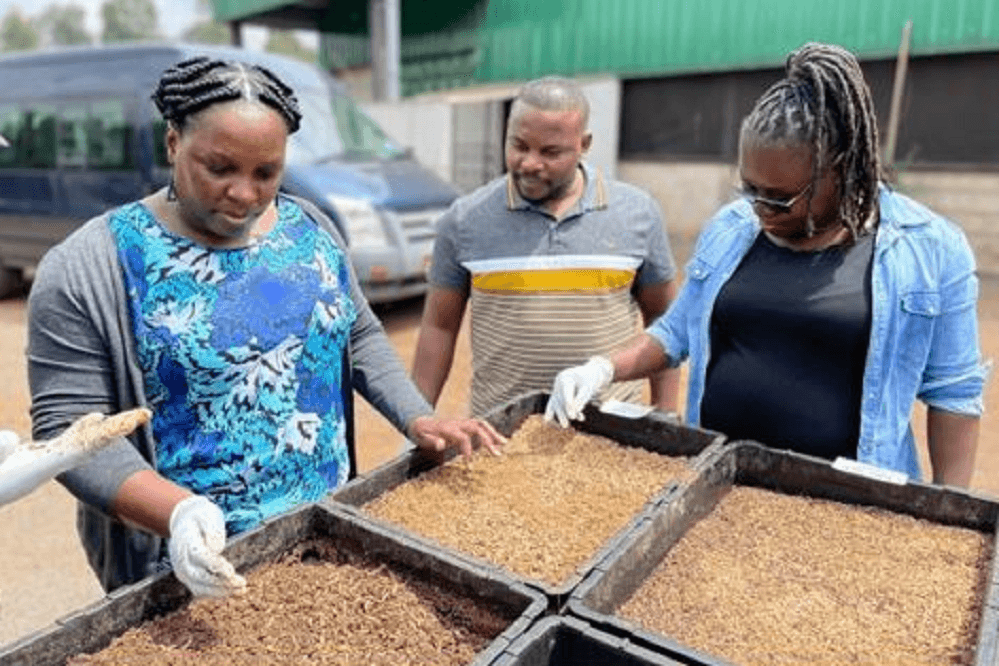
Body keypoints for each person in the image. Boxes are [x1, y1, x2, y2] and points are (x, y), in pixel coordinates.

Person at [26, 56, 505, 598]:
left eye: (266, 173)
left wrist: (418, 418)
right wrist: (178, 514)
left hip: (324, 537)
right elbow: (69, 431)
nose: (245, 194)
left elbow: (359, 334)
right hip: (187, 570)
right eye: (220, 168)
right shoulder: (90, 266)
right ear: (173, 143)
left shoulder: (311, 229)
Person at [546, 42, 986, 487]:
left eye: (779, 196)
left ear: (844, 169)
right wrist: (602, 367)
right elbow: (677, 331)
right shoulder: (731, 229)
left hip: (852, 509)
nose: (760, 207)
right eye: (749, 187)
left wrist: (950, 511)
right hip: (719, 487)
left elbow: (955, 396)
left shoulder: (931, 250)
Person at [412, 76, 680, 419]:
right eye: (519, 145)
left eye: (550, 152)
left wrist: (667, 417)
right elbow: (439, 326)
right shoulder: (465, 220)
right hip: (499, 436)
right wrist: (417, 419)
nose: (530, 163)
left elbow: (664, 321)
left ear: (584, 144)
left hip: (610, 437)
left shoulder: (637, 213)